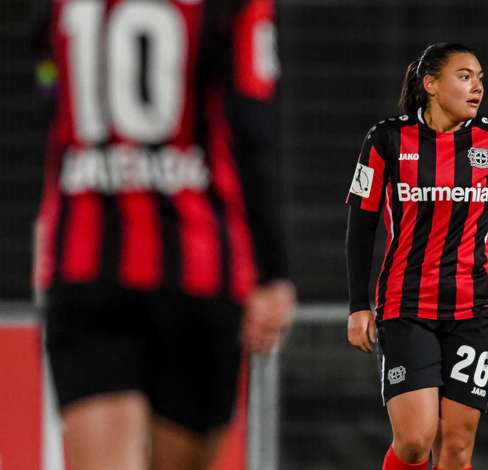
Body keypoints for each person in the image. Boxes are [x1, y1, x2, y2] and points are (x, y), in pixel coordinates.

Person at [30, 0, 295, 469]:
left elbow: (44, 68)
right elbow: (251, 130)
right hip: (198, 273)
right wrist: (273, 270)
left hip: (84, 265)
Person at [345, 42, 488, 470]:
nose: (477, 87)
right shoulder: (386, 140)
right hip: (406, 306)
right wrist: (358, 305)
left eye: (480, 79)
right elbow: (361, 225)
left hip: (473, 308)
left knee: (456, 447)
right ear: (431, 84)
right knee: (416, 440)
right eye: (464, 76)